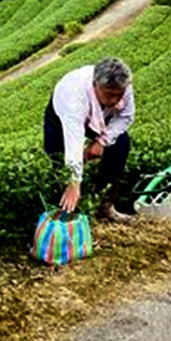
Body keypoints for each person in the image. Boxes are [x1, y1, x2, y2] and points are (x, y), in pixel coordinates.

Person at [45, 56, 136, 222]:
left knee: (121, 142)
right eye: (109, 94)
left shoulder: (123, 86)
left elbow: (126, 117)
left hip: (103, 116)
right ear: (95, 85)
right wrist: (74, 181)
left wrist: (101, 141)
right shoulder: (74, 96)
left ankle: (105, 205)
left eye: (119, 95)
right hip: (60, 116)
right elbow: (74, 142)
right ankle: (66, 210)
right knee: (58, 157)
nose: (115, 100)